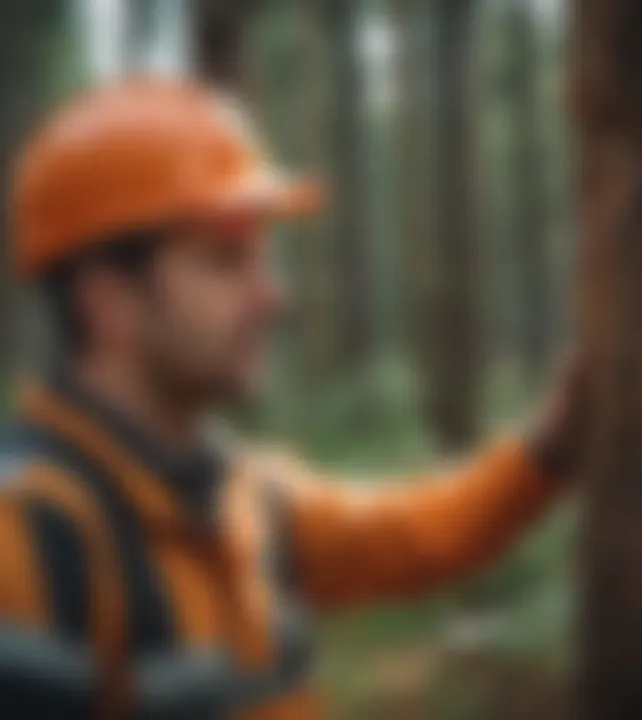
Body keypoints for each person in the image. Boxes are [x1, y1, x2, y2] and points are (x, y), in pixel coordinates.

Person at [0, 78, 583, 719]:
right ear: (107, 301)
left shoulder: (244, 496)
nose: (274, 297)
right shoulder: (28, 533)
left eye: (263, 260)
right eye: (226, 261)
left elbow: (412, 535)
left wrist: (550, 447)